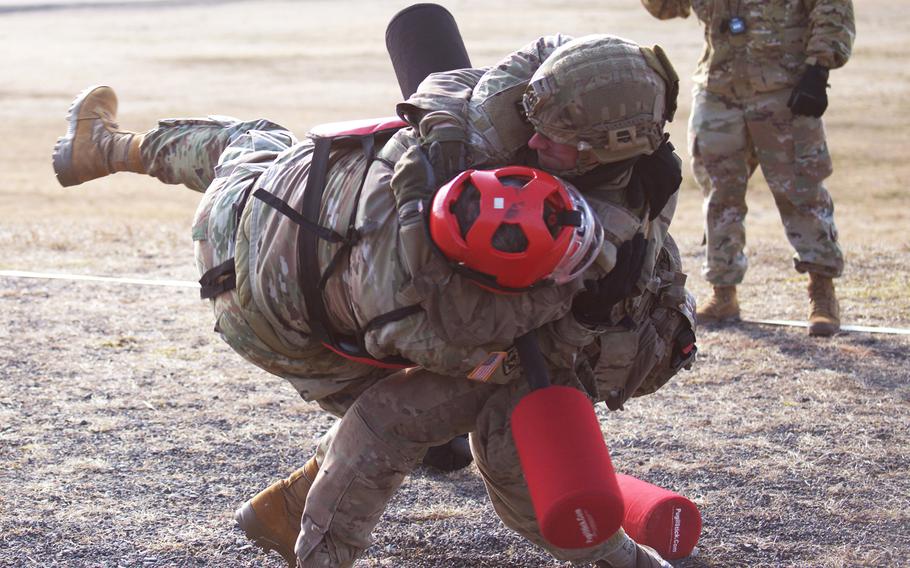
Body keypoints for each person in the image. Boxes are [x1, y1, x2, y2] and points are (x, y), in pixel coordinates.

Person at [53, 34, 694, 568]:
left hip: (308, 200)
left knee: (248, 140)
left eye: (557, 139)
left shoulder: (502, 118)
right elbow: (395, 417)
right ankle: (101, 148)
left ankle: (107, 148)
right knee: (425, 413)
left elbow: (487, 77)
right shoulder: (444, 306)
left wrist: (443, 143)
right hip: (269, 311)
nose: (535, 140)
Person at [641, 0, 855, 336]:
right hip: (718, 90)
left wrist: (819, 68)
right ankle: (723, 293)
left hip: (784, 89)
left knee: (801, 191)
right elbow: (666, 7)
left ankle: (822, 294)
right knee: (719, 195)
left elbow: (831, 8)